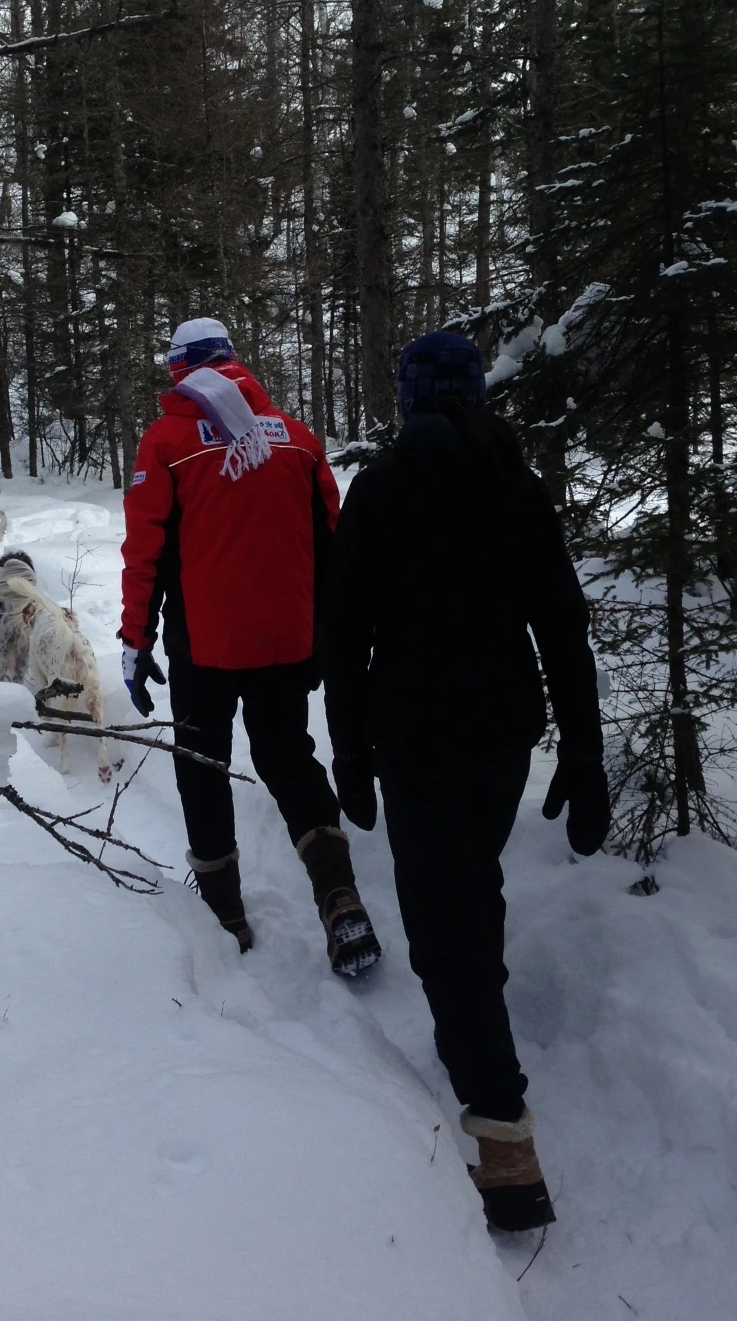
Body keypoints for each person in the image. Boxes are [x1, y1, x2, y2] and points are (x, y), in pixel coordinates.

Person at [322, 330, 610, 1233]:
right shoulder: (517, 488)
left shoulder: (382, 489)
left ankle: (502, 1139)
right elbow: (563, 628)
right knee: (466, 894)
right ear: (478, 397)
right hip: (498, 742)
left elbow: (343, 638)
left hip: (417, 741)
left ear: (410, 402)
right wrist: (584, 752)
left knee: (444, 928)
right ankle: (474, 1022)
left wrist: (349, 750)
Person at [119, 317, 381, 977]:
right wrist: (329, 632)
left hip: (204, 645)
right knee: (289, 759)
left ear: (181, 373)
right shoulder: (296, 437)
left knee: (202, 766)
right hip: (288, 639)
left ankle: (223, 914)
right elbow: (333, 545)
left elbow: (145, 551)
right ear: (236, 364)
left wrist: (134, 637)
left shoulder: (170, 440)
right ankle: (340, 898)